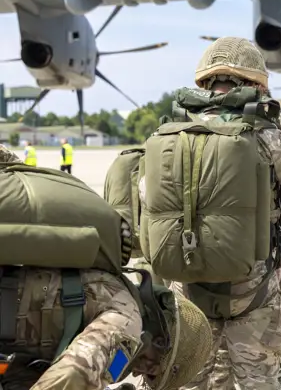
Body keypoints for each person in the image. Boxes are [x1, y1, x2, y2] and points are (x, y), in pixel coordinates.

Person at [145, 36, 281, 389]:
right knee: (257, 382)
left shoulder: (171, 131)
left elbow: (148, 199)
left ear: (205, 82)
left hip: (186, 287)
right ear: (257, 84)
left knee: (192, 380)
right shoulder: (266, 132)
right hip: (252, 291)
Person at [0, 159, 213, 390]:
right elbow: (73, 376)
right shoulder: (128, 323)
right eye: (152, 372)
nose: (140, 372)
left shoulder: (116, 289)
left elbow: (26, 371)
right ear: (160, 343)